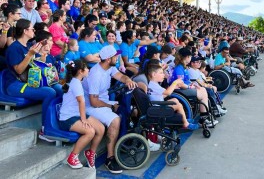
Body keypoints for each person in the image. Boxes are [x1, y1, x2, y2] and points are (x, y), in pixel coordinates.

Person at [82, 45, 137, 174]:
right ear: (108, 59)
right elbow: (94, 102)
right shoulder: (96, 74)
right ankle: (110, 158)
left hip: (103, 101)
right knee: (115, 120)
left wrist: (128, 80)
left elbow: (121, 76)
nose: (117, 58)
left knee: (133, 109)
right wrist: (112, 107)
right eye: (115, 56)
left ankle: (126, 143)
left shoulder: (110, 67)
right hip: (90, 106)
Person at [5, 19, 62, 142]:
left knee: (58, 88)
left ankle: (59, 121)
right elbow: (19, 70)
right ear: (25, 31)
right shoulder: (14, 48)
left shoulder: (29, 46)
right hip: (15, 84)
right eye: (32, 29)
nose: (34, 31)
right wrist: (30, 55)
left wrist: (43, 55)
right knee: (49, 92)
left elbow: (35, 65)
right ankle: (45, 129)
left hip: (30, 80)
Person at [59, 60, 105, 169]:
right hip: (67, 118)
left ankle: (90, 153)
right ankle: (72, 157)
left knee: (101, 128)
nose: (88, 70)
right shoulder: (75, 83)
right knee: (90, 131)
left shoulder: (77, 81)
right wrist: (84, 119)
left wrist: (83, 118)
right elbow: (81, 101)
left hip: (77, 115)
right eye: (86, 68)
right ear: (80, 71)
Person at [169, 47, 217, 127]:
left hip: (184, 87)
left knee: (202, 89)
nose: (191, 58)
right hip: (179, 90)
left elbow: (187, 80)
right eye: (190, 57)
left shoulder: (183, 67)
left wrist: (193, 84)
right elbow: (180, 83)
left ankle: (204, 117)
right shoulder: (179, 69)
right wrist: (190, 87)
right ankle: (204, 118)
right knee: (203, 93)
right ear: (187, 57)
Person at [147, 64, 199, 130]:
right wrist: (175, 82)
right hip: (158, 109)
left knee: (174, 100)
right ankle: (186, 124)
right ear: (154, 74)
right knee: (178, 105)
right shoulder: (154, 85)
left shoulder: (152, 84)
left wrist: (173, 88)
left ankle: (184, 119)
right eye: (161, 73)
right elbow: (168, 92)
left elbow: (161, 95)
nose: (163, 75)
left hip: (157, 105)